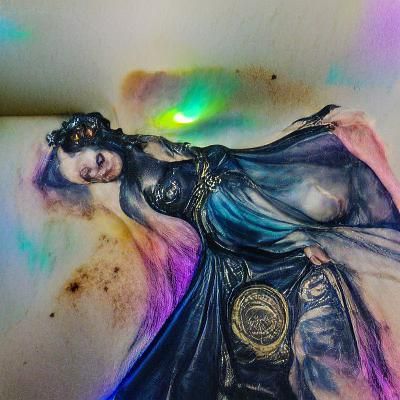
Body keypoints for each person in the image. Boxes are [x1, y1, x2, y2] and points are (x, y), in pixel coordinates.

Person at [40, 106, 400, 400]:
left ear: (94, 139)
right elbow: (181, 236)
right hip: (228, 226)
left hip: (240, 190)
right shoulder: (131, 197)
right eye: (88, 177)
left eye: (92, 163)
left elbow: (197, 158)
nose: (97, 174)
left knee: (325, 189)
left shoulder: (148, 142)